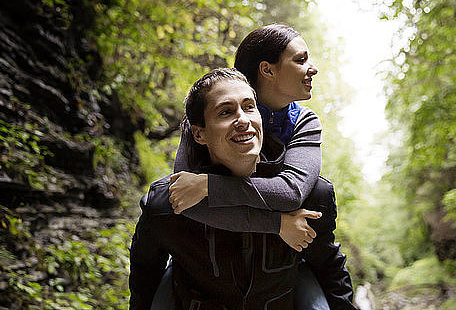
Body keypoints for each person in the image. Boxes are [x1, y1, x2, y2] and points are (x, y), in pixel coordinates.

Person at [167, 24, 355, 309]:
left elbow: (292, 192)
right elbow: (185, 199)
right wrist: (277, 223)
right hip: (207, 270)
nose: (313, 69)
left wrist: (209, 185)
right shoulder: (208, 110)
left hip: (283, 266)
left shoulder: (303, 122)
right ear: (267, 70)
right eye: (301, 60)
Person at [129, 68, 324, 309]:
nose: (243, 120)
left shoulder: (312, 197)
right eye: (225, 112)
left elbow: (329, 271)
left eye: (249, 107)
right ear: (199, 134)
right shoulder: (165, 205)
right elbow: (144, 281)